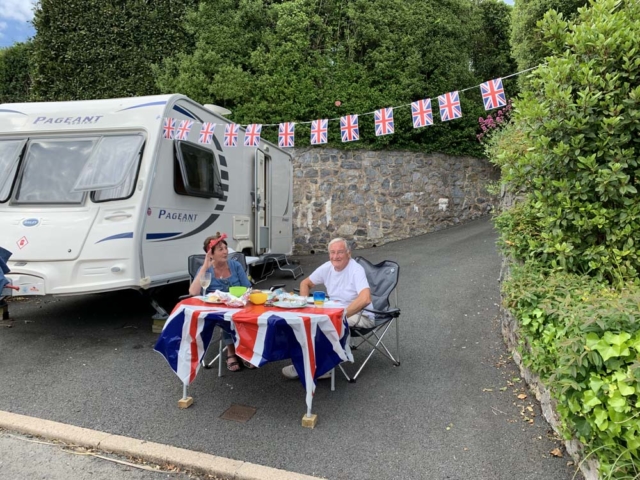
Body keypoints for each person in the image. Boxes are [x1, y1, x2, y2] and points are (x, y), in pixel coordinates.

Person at [281, 237, 374, 379]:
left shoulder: (356, 269)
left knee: (325, 324)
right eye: (332, 252)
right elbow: (305, 283)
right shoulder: (327, 267)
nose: (335, 256)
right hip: (334, 310)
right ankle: (305, 363)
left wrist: (341, 315)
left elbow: (365, 298)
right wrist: (304, 305)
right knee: (306, 321)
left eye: (340, 252)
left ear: (348, 253)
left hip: (361, 315)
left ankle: (324, 367)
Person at [189, 232, 251, 372]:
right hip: (216, 310)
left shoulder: (235, 266)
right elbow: (193, 292)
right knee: (227, 319)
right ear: (211, 254)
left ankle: (245, 350)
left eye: (225, 248)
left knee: (243, 317)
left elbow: (247, 287)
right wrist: (205, 266)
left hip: (238, 305)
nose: (225, 252)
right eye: (220, 249)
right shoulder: (206, 270)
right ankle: (231, 352)